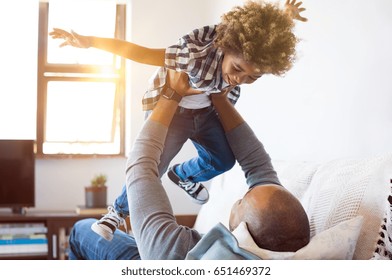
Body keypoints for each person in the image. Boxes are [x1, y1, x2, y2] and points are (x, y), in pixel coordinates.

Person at [50, 0, 308, 241]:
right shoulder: (193, 55)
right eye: (238, 69)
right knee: (154, 167)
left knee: (224, 159)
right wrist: (90, 41)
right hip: (175, 112)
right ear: (225, 48)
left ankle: (184, 176)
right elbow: (138, 52)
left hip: (206, 113)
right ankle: (116, 213)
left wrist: (285, 17)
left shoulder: (250, 53)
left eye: (253, 77)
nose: (240, 79)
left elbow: (262, 36)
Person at [68, 69, 310, 260]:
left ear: (240, 230)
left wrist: (171, 94)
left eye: (242, 200)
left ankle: (118, 211)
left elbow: (141, 167)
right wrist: (217, 92)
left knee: (82, 229)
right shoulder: (278, 246)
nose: (244, 194)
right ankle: (182, 174)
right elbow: (257, 164)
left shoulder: (172, 252)